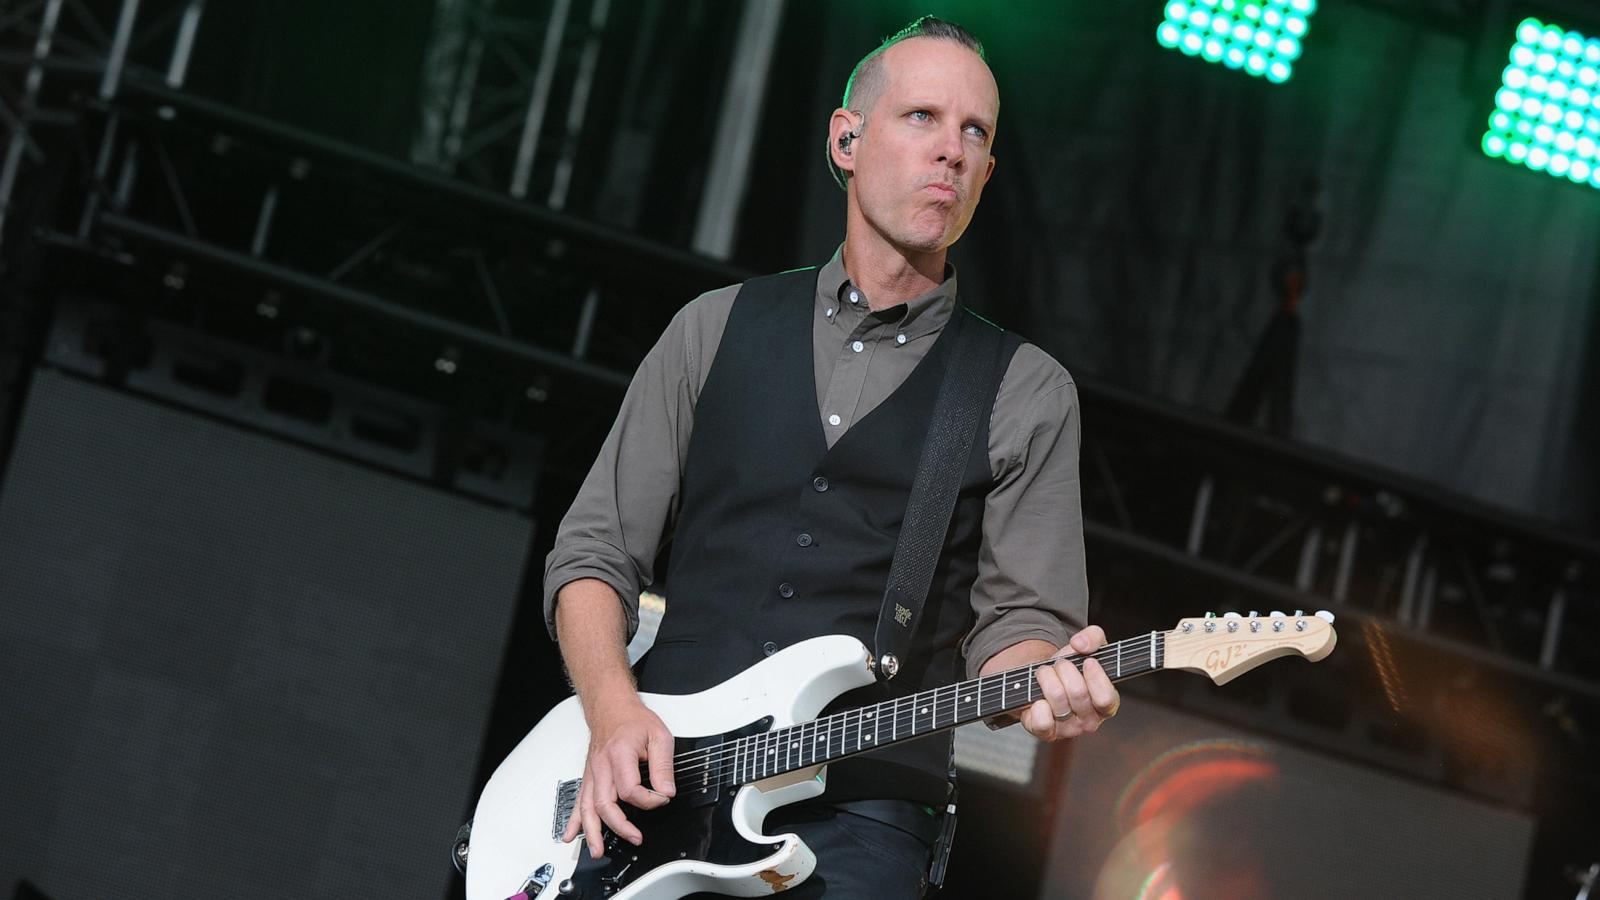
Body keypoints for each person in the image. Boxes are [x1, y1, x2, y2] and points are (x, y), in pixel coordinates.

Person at [543, 16, 1120, 898]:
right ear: (846, 139)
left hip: (864, 814)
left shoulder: (1025, 390)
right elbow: (592, 557)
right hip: (658, 791)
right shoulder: (714, 326)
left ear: (989, 175)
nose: (953, 152)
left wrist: (1042, 685)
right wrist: (614, 712)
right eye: (923, 117)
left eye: (976, 134)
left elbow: (1018, 631)